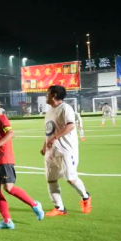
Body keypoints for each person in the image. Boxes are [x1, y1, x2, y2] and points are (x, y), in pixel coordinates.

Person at [0, 98, 44, 230]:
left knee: (8, 188)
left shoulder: (0, 118)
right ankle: (7, 221)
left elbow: (11, 133)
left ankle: (34, 205)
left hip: (4, 159)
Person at [42, 86, 92, 216]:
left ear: (54, 95)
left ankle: (85, 197)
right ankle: (59, 208)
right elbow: (49, 130)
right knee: (51, 179)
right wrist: (44, 145)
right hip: (51, 151)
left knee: (70, 178)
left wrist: (55, 138)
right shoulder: (49, 111)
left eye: (47, 93)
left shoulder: (65, 108)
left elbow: (71, 125)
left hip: (66, 150)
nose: (46, 96)